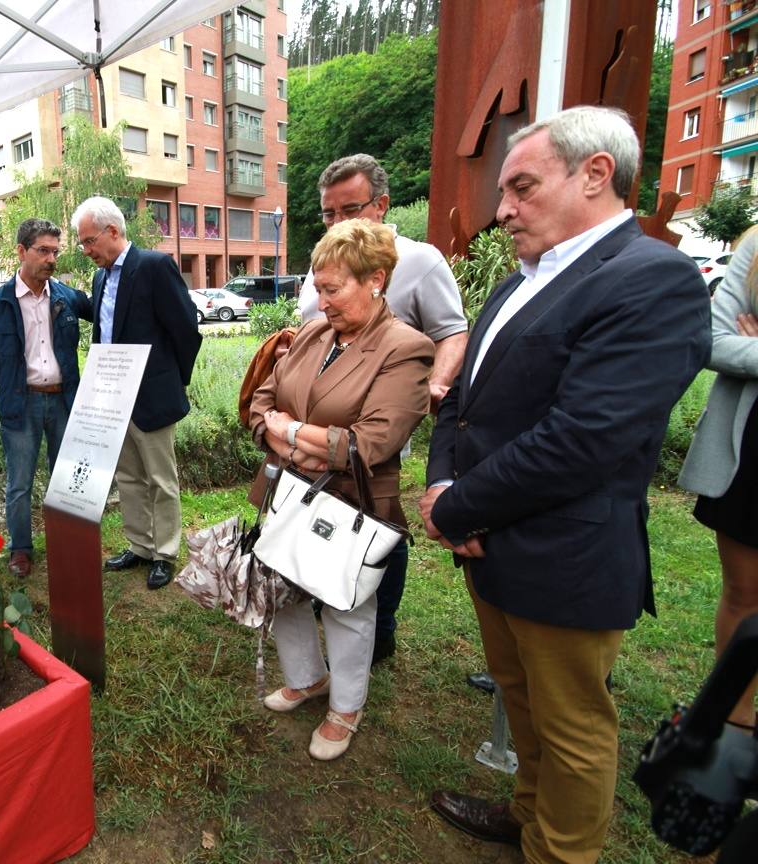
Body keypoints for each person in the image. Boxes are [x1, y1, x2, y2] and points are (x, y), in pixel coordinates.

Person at [420, 106, 710, 863]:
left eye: (521, 187)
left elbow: (586, 440)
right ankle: (527, 819)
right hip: (488, 540)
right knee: (521, 701)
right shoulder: (526, 277)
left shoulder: (653, 278)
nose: (503, 209)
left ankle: (561, 853)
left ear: (595, 173)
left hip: (564, 551)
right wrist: (445, 484)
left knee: (572, 723)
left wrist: (456, 504)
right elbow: (463, 402)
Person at [250, 219, 432, 761]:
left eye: (332, 289)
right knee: (281, 585)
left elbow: (370, 442)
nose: (321, 302)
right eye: (317, 288)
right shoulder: (311, 333)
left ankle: (346, 707)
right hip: (285, 487)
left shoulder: (406, 348)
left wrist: (289, 431)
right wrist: (290, 438)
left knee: (346, 604)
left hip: (350, 503)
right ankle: (307, 678)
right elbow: (261, 402)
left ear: (376, 279)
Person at [298, 154, 468, 665]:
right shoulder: (323, 260)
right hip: (315, 418)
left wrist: (431, 387)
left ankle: (380, 626)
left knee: (375, 520)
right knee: (320, 509)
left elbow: (452, 331)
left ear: (382, 204)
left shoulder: (419, 259)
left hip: (375, 420)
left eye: (349, 209)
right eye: (328, 214)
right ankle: (324, 597)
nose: (337, 222)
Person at [74, 196, 201, 590]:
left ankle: (164, 552)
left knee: (161, 479)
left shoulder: (154, 266)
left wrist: (172, 380)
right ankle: (140, 545)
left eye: (89, 241)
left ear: (113, 231)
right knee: (128, 476)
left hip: (152, 396)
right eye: (82, 244)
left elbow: (186, 330)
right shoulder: (100, 277)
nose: (86, 251)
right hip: (112, 397)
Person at [0, 218, 93, 577]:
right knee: (20, 483)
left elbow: (104, 312)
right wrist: (18, 387)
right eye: (43, 250)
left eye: (55, 251)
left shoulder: (66, 297)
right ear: (21, 251)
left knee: (67, 479)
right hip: (21, 403)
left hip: (62, 403)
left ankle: (67, 542)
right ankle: (21, 549)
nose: (51, 259)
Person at [679, 225, 758, 730]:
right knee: (745, 592)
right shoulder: (755, 248)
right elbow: (714, 341)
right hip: (751, 444)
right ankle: (735, 718)